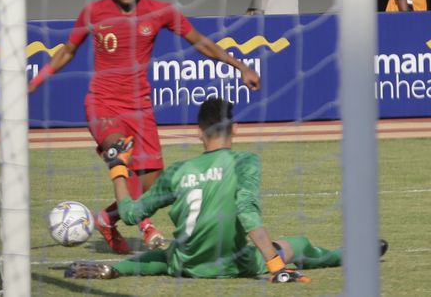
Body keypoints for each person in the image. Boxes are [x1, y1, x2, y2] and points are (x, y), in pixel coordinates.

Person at [28, 0, 262, 254]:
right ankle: (145, 225)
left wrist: (239, 66)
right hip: (102, 102)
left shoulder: (160, 12)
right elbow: (67, 51)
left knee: (153, 188)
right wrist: (34, 80)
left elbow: (201, 43)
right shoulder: (93, 13)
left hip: (140, 108)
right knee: (116, 151)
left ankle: (107, 219)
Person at [65, 97, 389, 280]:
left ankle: (114, 269)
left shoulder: (178, 171)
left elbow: (131, 213)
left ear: (199, 132)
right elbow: (248, 212)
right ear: (235, 128)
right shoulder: (245, 162)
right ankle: (355, 254)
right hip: (232, 263)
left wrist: (117, 167)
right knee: (299, 243)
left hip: (186, 262)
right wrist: (275, 266)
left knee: (165, 257)